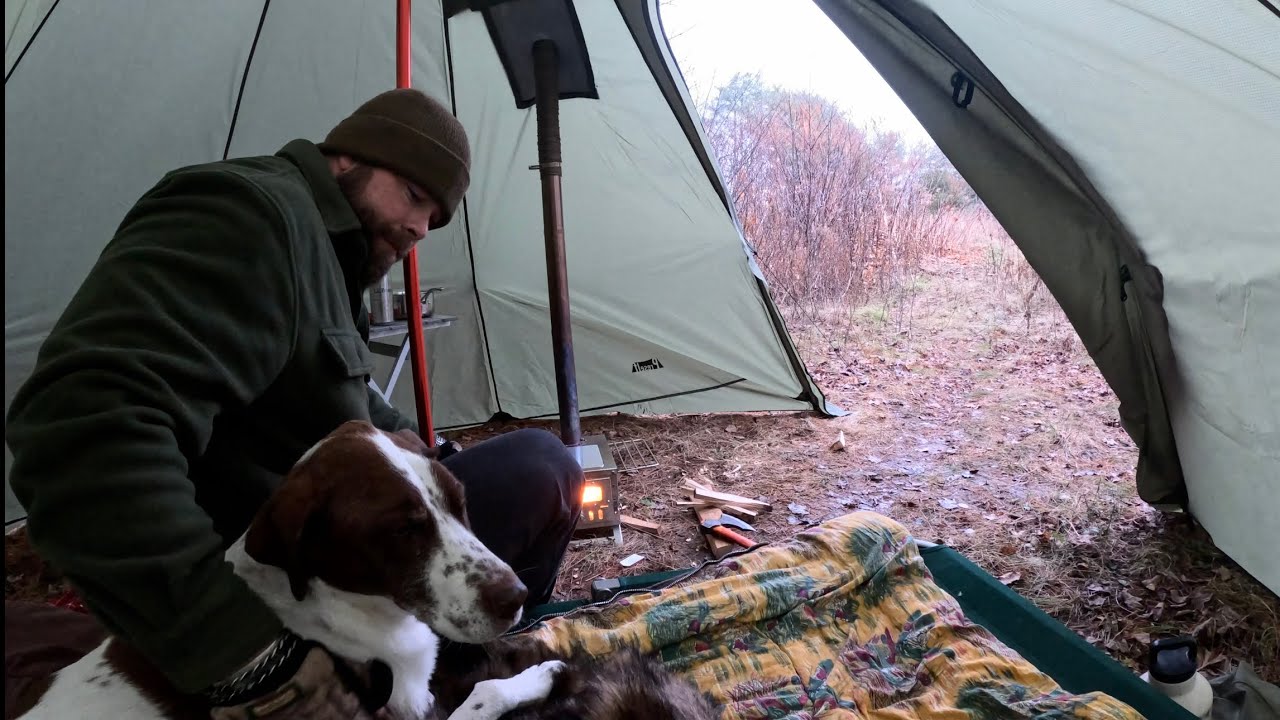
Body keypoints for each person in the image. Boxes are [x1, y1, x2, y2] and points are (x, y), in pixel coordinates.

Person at [4, 88, 584, 719]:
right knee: (539, 465)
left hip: (349, 542)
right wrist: (238, 652)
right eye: (415, 195)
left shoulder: (332, 261)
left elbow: (345, 406)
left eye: (435, 219)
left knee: (531, 471)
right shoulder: (249, 217)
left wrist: (427, 463)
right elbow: (82, 422)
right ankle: (454, 672)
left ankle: (454, 668)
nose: (420, 228)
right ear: (348, 161)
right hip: (276, 576)